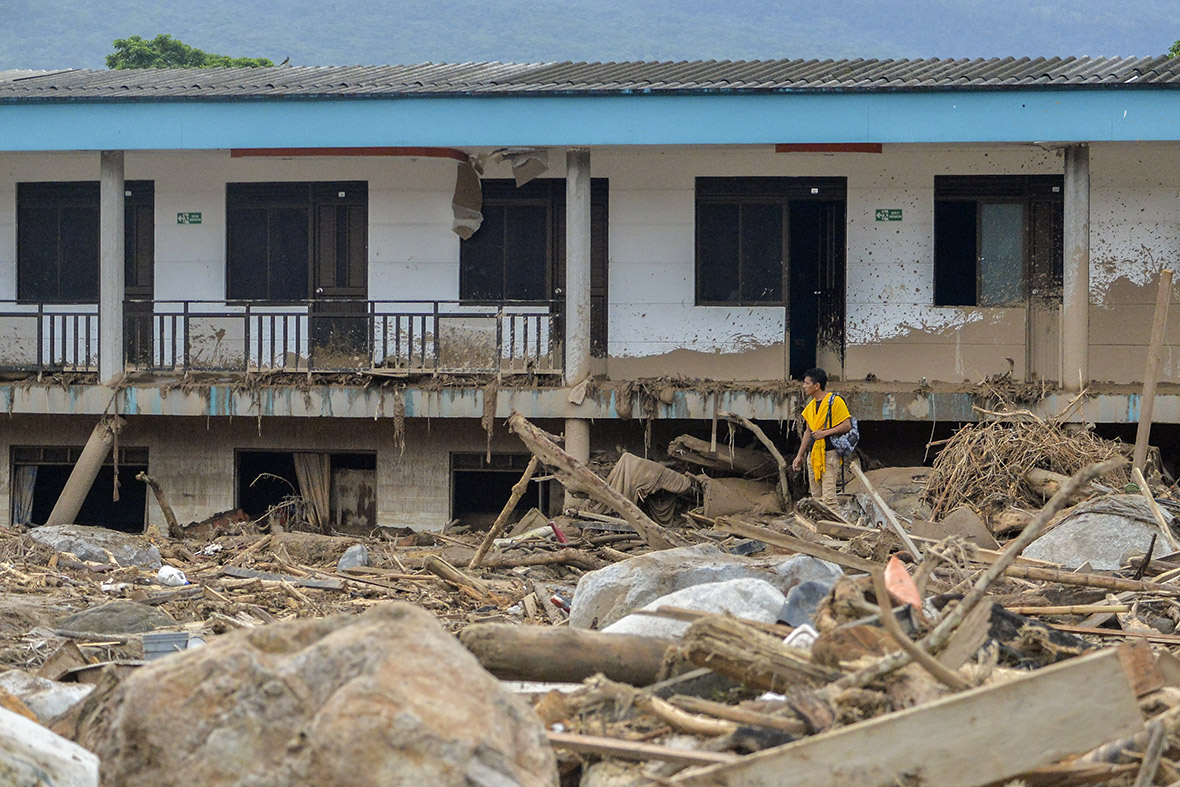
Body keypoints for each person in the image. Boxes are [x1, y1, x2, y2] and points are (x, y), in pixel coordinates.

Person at [791, 367, 852, 508]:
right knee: (816, 498)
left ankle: (834, 527)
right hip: (813, 456)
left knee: (829, 499)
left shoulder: (835, 401)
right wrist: (799, 455)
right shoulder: (811, 405)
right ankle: (819, 526)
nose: (804, 386)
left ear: (816, 385)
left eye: (807, 383)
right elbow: (808, 431)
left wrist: (824, 433)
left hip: (829, 454)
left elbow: (846, 425)